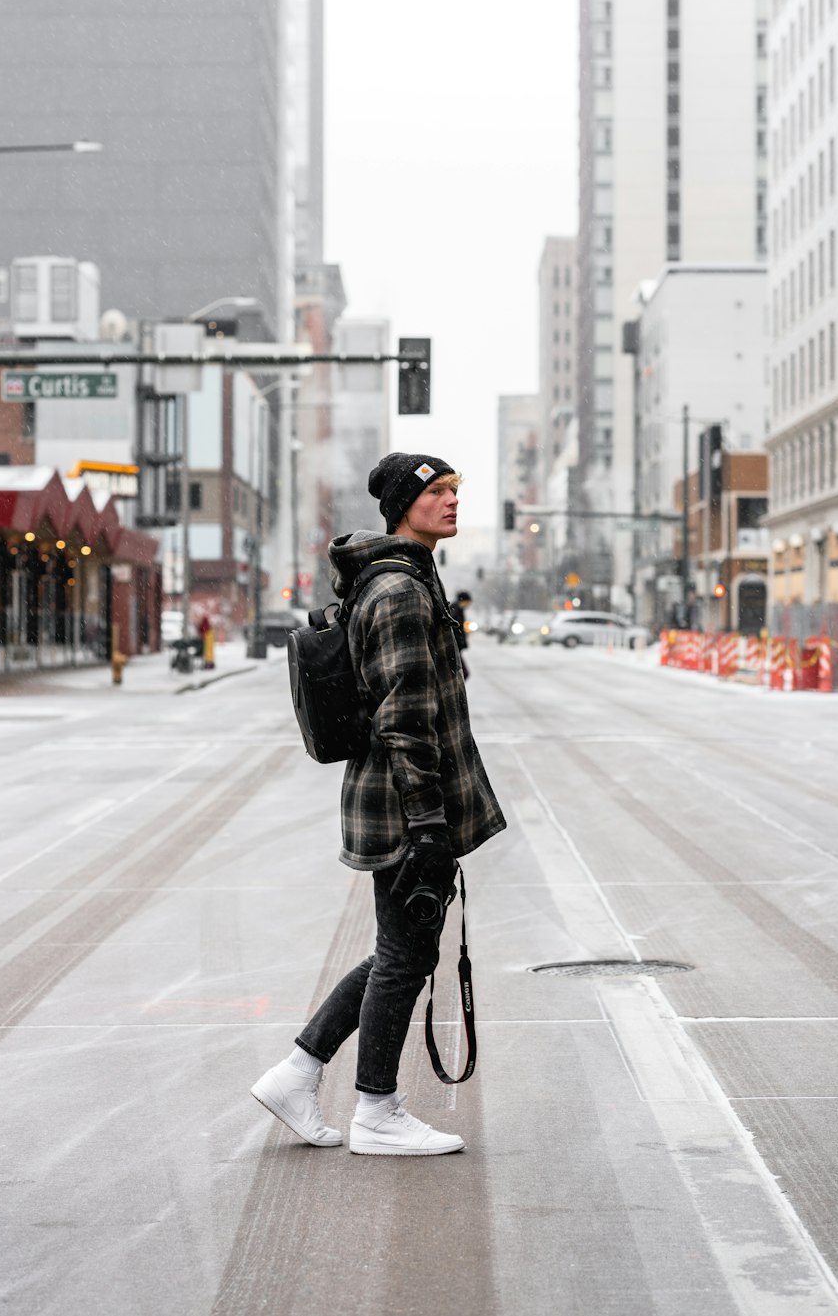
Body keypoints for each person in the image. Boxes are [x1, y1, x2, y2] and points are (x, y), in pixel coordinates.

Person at [251, 453, 506, 1156]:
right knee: (403, 957)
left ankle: (297, 1072)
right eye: (437, 491)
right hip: (403, 804)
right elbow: (403, 717)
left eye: (457, 489)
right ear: (403, 506)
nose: (453, 501)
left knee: (402, 950)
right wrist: (427, 824)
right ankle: (376, 1110)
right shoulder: (398, 590)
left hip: (397, 800)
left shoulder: (408, 577)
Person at [449, 589, 473, 680]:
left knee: (460, 673)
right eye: (468, 602)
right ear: (463, 601)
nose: (469, 604)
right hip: (454, 648)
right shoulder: (455, 611)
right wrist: (459, 642)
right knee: (463, 673)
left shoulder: (457, 609)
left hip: (455, 647)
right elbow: (454, 630)